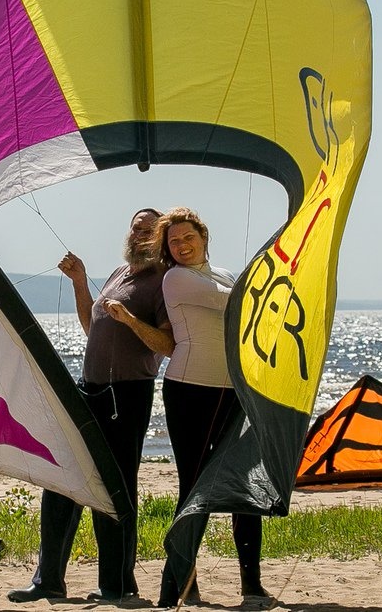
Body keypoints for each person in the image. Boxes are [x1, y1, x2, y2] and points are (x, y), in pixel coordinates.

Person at [8, 209, 172, 604]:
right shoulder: (121, 272)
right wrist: (81, 281)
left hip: (127, 395)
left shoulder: (165, 281)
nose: (140, 233)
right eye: (135, 227)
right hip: (90, 389)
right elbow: (92, 325)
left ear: (162, 237)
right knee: (63, 478)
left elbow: (166, 345)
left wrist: (132, 320)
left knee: (114, 488)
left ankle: (117, 584)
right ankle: (48, 580)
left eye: (149, 229)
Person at [149, 207, 271, 608]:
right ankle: (179, 586)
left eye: (188, 238)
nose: (182, 246)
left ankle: (252, 587)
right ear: (167, 249)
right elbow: (237, 304)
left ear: (204, 236)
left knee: (246, 485)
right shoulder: (176, 278)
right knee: (194, 488)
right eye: (174, 241)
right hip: (190, 392)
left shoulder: (223, 273)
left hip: (233, 393)